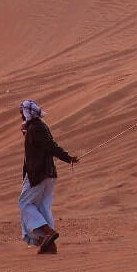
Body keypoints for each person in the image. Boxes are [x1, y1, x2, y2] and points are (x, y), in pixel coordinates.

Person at [18, 99, 78, 254]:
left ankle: (47, 233)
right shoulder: (36, 127)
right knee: (43, 206)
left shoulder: (36, 128)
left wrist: (68, 158)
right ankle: (49, 246)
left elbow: (51, 146)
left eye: (21, 113)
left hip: (39, 173)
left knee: (25, 203)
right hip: (47, 173)